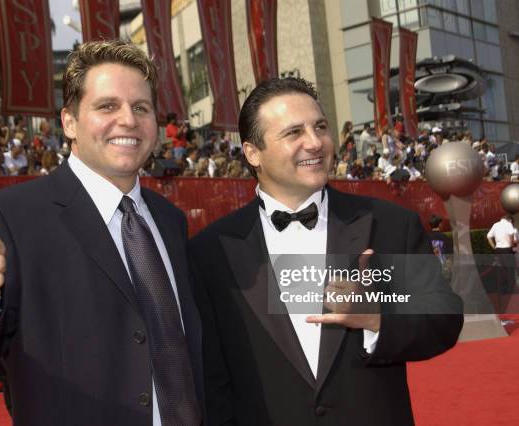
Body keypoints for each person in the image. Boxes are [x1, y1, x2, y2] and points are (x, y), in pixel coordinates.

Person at [0, 40, 203, 426]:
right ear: (69, 121)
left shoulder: (171, 221)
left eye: (141, 107)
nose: (129, 120)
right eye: (107, 106)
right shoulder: (10, 219)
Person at [189, 77, 463, 426]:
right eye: (294, 133)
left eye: (320, 127)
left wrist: (377, 318)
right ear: (252, 153)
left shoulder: (390, 225)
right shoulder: (211, 251)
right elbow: (213, 380)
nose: (315, 143)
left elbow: (444, 318)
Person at [487, 214, 517, 318]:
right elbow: (511, 234)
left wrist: (494, 247)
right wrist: (511, 244)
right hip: (507, 251)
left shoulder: (495, 225)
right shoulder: (508, 224)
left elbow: (488, 237)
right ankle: (510, 303)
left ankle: (501, 307)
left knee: (500, 278)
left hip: (498, 251)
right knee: (510, 278)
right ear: (509, 220)